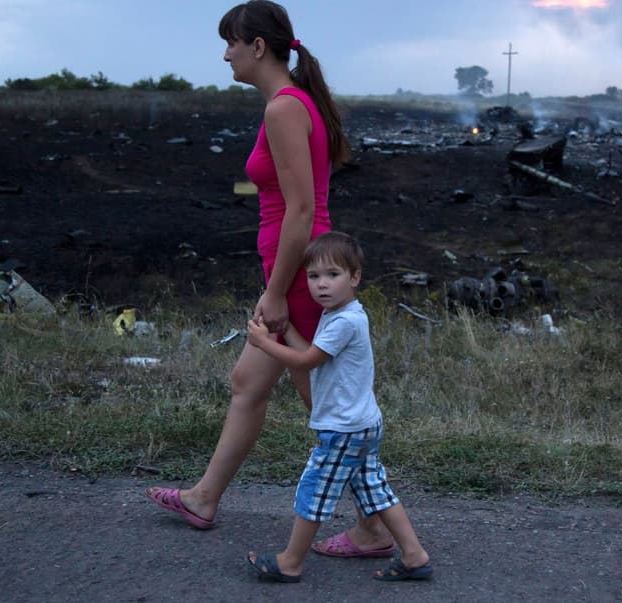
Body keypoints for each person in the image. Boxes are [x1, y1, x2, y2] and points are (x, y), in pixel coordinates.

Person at [144, 0, 393, 558]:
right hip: (288, 270)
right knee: (248, 382)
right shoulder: (295, 102)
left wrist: (278, 291)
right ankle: (204, 497)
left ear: (258, 47)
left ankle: (376, 527)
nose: (225, 52)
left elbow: (302, 211)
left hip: (297, 276)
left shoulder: (284, 108)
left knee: (329, 412)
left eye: (231, 40)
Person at [244, 232, 433, 582]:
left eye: (332, 275)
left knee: (314, 488)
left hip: (344, 428)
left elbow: (308, 361)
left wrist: (263, 343)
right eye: (314, 276)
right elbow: (312, 352)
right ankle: (414, 555)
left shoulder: (344, 321)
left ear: (355, 277)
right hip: (361, 423)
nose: (321, 285)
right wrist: (282, 331)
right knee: (374, 489)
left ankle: (290, 562)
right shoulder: (341, 314)